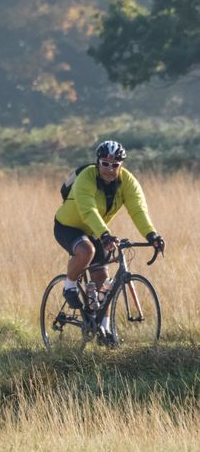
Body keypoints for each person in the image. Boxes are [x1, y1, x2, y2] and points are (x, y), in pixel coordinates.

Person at [53, 140, 165, 339]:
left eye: (114, 165)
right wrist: (104, 235)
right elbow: (88, 210)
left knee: (103, 278)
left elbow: (138, 210)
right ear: (98, 162)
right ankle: (69, 286)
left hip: (96, 230)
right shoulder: (87, 177)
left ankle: (104, 329)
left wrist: (152, 235)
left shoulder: (127, 182)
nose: (109, 169)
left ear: (121, 165)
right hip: (68, 226)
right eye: (105, 163)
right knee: (86, 251)